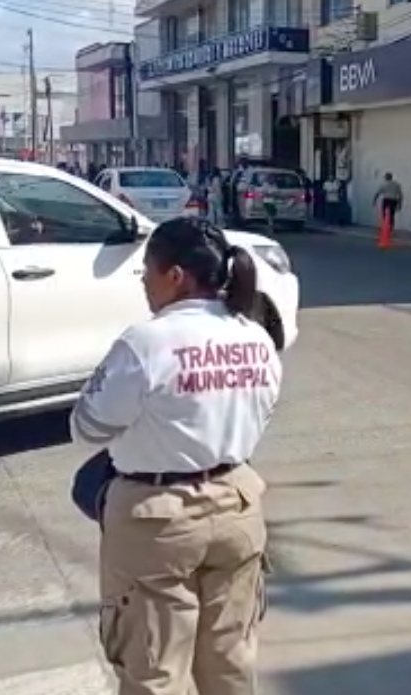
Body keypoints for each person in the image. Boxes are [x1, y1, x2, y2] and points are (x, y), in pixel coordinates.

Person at [70, 216, 281, 695]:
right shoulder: (257, 338)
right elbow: (259, 415)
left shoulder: (145, 342)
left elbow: (86, 427)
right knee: (230, 661)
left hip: (156, 521)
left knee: (154, 669)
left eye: (147, 271)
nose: (144, 283)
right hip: (237, 505)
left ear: (176, 276)